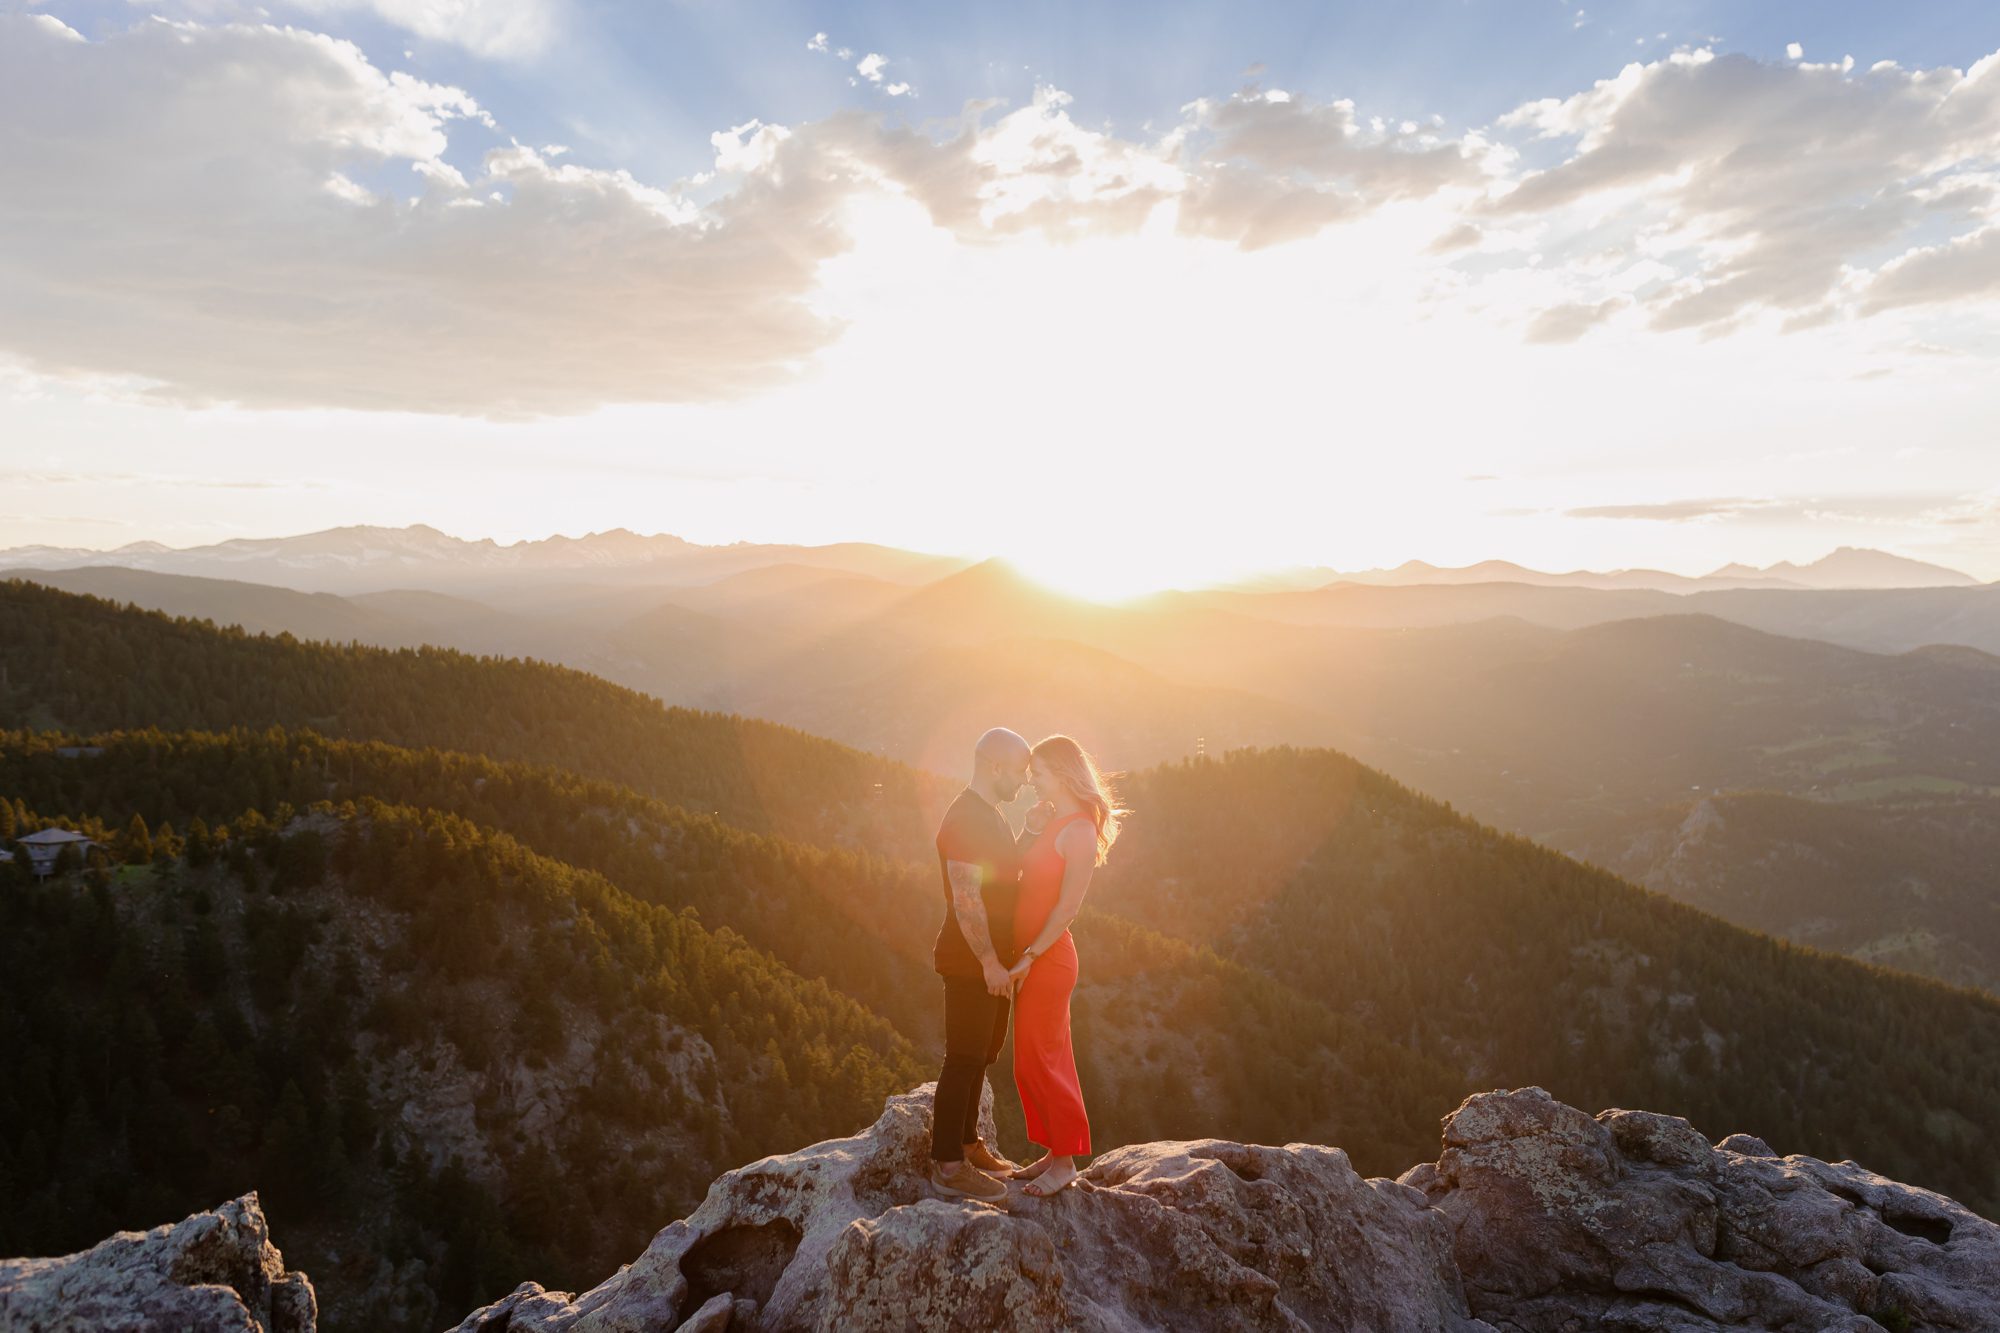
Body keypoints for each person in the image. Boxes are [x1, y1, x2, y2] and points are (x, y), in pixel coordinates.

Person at [1006, 734, 1126, 1197]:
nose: (1033, 782)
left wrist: (1030, 956)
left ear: (1060, 772)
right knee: (1028, 1061)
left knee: (1045, 1057)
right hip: (1031, 956)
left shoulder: (1078, 829)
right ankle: (1054, 1153)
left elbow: (1068, 908)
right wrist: (1031, 828)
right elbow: (1012, 870)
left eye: (1038, 774)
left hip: (1049, 958)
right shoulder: (1053, 822)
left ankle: (1066, 1163)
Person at [926, 726, 1041, 1202]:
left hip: (995, 961)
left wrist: (1030, 832)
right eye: (1019, 771)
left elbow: (999, 871)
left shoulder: (988, 814)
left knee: (982, 1055)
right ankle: (948, 1166)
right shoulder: (966, 818)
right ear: (995, 767)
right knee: (963, 1057)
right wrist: (990, 961)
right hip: (973, 961)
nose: (1023, 782)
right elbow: (966, 897)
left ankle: (970, 1145)